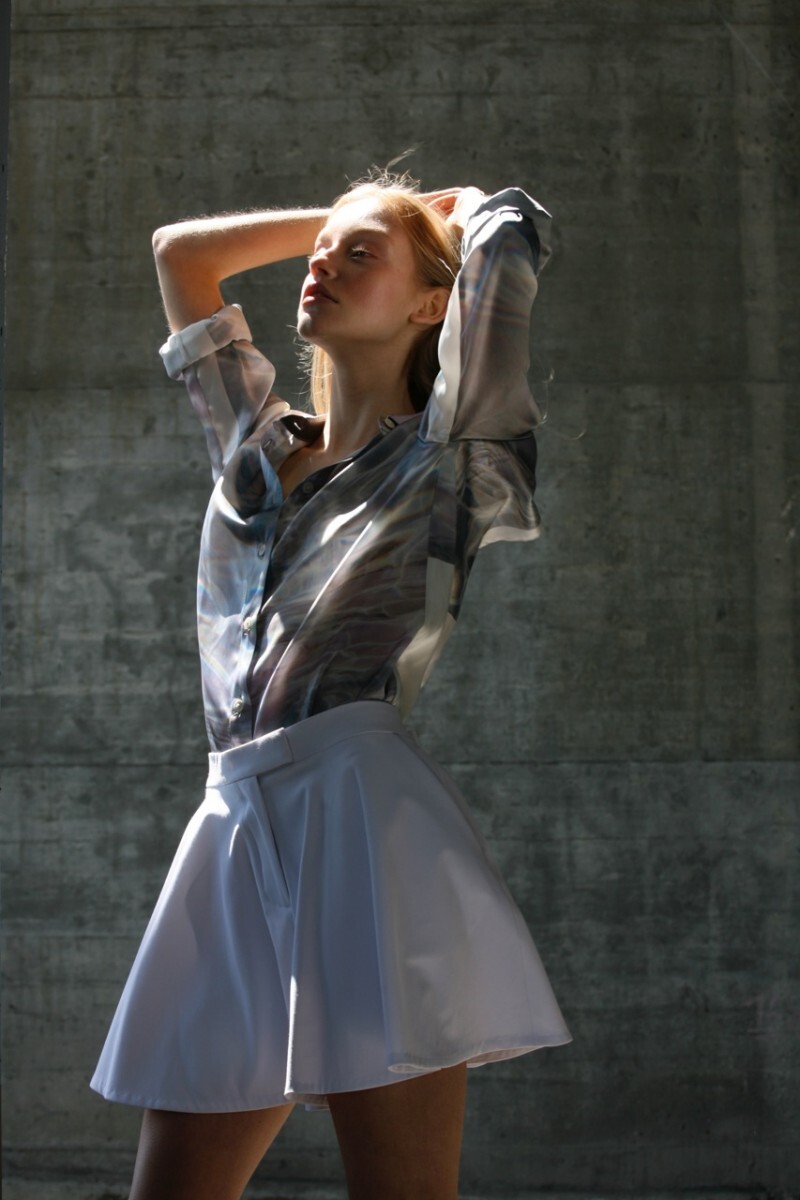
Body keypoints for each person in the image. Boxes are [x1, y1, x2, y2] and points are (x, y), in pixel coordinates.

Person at [90, 172, 571, 1200]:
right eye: (322, 254)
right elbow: (181, 253)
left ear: (433, 303)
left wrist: (444, 211)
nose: (325, 264)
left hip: (360, 828)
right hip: (232, 827)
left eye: (362, 257)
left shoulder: (455, 455)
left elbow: (511, 232)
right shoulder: (255, 448)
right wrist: (349, 221)